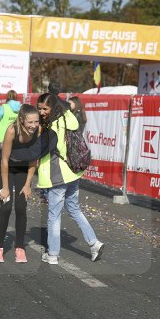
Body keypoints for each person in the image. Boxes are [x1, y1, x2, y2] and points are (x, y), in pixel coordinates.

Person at [36, 93, 104, 265]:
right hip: (74, 172)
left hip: (58, 175)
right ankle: (94, 243)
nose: (41, 112)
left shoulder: (52, 126)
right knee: (74, 209)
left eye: (45, 108)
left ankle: (52, 254)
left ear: (52, 108)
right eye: (39, 108)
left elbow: (44, 150)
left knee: (54, 215)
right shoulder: (69, 118)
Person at [0, 104, 40, 263]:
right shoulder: (12, 130)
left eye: (36, 121)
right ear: (21, 120)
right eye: (30, 122)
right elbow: (4, 160)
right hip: (6, 166)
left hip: (23, 167)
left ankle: (20, 247)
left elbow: (34, 160)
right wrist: (5, 188)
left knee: (21, 206)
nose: (33, 125)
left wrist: (28, 185)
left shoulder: (38, 132)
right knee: (6, 206)